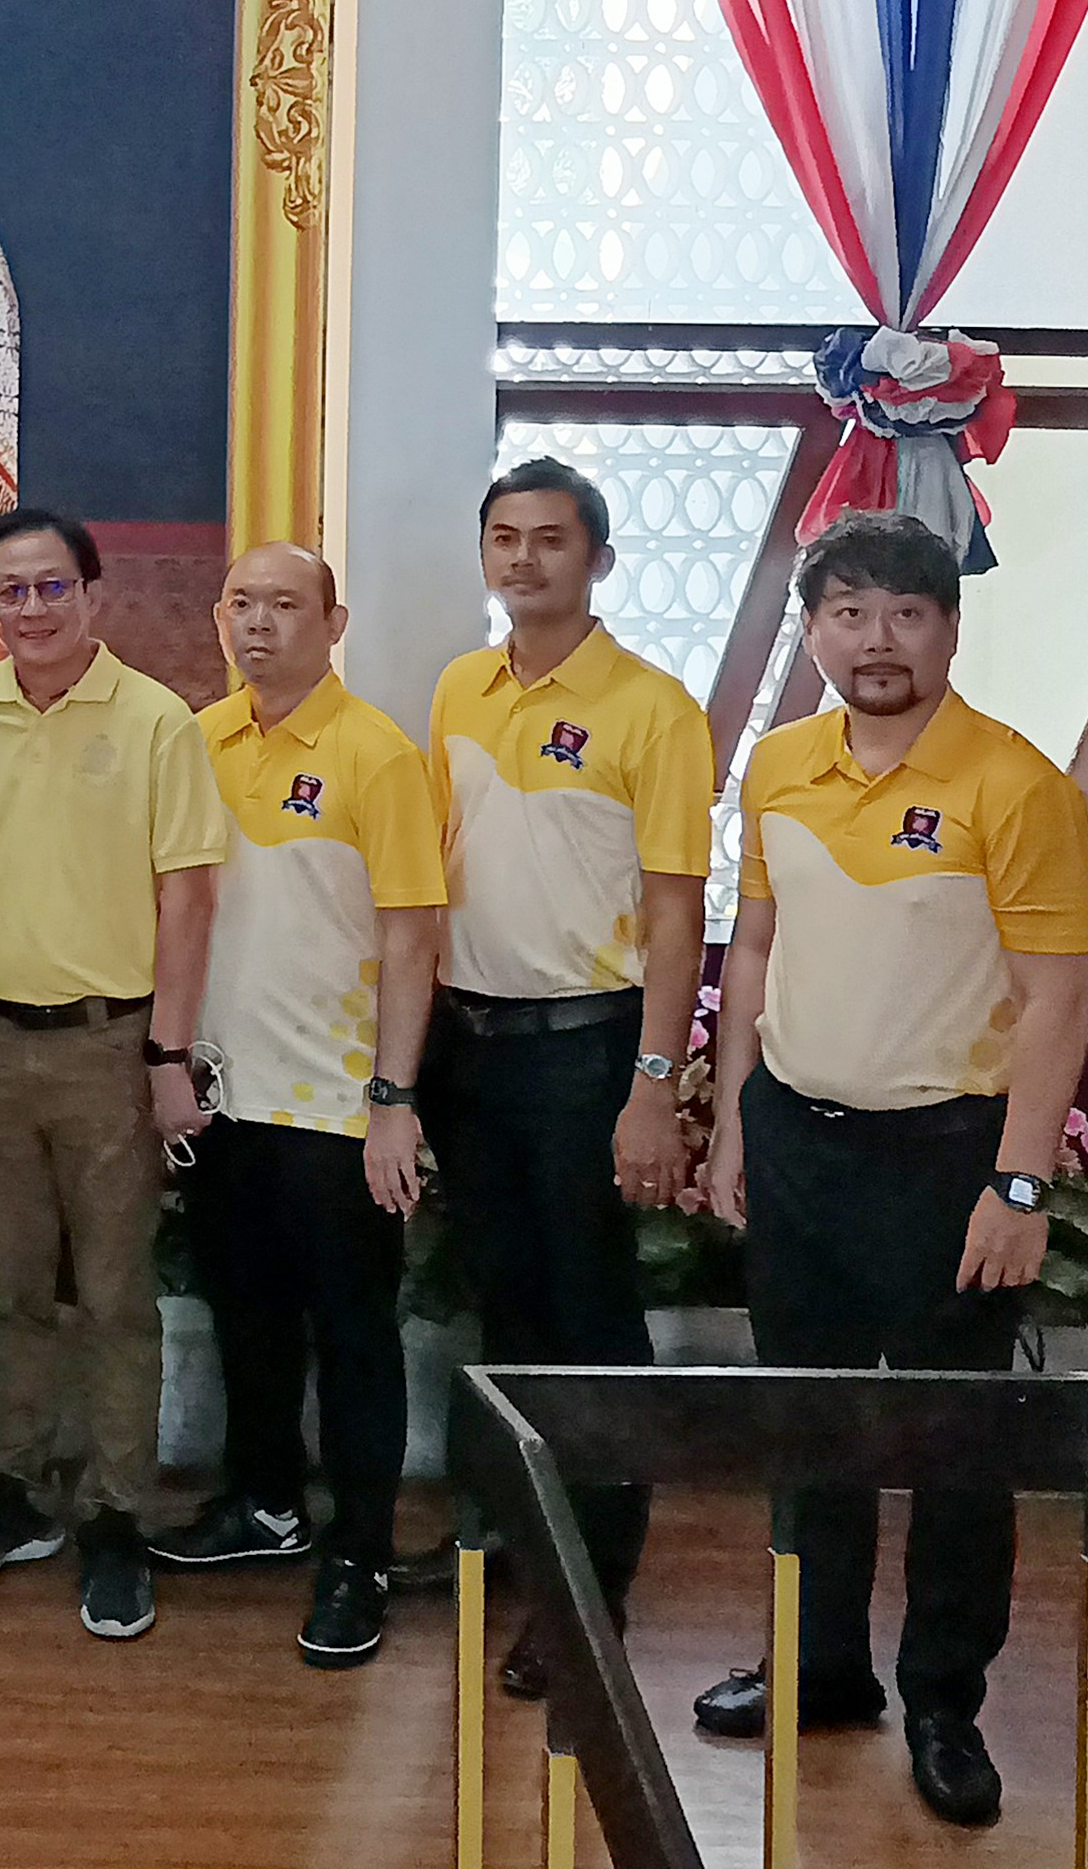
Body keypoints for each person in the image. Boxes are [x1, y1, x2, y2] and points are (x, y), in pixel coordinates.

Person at [694, 510, 1088, 1832]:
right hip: (799, 1140)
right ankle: (820, 1668)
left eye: (906, 614)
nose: (877, 640)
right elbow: (754, 948)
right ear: (812, 631)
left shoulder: (1016, 786)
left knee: (952, 1441)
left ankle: (943, 1702)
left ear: (949, 630)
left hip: (949, 1157)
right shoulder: (779, 766)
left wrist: (1019, 1184)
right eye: (849, 612)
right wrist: (735, 1123)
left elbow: (1056, 997)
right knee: (808, 1422)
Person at [0, 506, 223, 1638]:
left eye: (50, 587)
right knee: (10, 1282)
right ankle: (17, 1490)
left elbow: (189, 895)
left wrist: (167, 1051)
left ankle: (116, 1514)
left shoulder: (155, 721)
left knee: (117, 1296)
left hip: (107, 1046)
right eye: (9, 591)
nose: (31, 609)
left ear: (92, 594)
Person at [424, 455, 714, 1695]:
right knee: (503, 1305)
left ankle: (592, 1586)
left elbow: (676, 911)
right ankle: (513, 1538)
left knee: (589, 1319)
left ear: (597, 557)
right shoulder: (459, 688)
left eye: (550, 538)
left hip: (587, 1049)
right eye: (505, 537)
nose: (524, 558)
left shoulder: (653, 709)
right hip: (467, 1044)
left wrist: (654, 1083)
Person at [154, 542, 447, 1670]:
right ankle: (264, 1501)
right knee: (248, 1316)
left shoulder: (377, 754)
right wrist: (166, 1060)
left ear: (334, 623)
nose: (259, 624)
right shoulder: (197, 741)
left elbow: (412, 939)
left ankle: (360, 1551)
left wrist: (394, 1100)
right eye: (242, 603)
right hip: (223, 1094)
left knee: (354, 1335)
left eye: (285, 604)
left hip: (336, 1104)